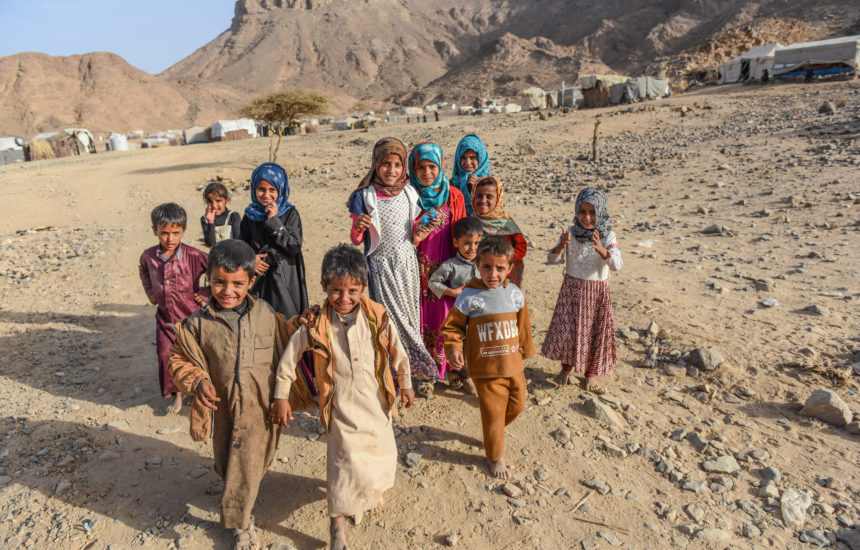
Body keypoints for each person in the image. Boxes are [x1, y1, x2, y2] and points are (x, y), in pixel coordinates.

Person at [167, 239, 316, 550]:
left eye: (237, 283)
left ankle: (239, 508)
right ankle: (238, 509)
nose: (228, 291)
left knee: (251, 462)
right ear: (209, 279)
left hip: (262, 408)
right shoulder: (198, 323)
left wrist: (300, 324)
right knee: (231, 460)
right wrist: (197, 382)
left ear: (251, 281)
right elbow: (178, 359)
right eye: (219, 282)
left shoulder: (264, 312)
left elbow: (283, 338)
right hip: (223, 408)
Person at [271, 244, 415, 550]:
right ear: (324, 287)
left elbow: (396, 350)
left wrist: (405, 382)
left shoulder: (376, 315)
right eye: (336, 291)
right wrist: (281, 395)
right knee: (341, 463)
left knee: (380, 452)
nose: (345, 298)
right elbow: (289, 358)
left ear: (364, 286)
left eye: (353, 290)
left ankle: (365, 494)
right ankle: (337, 524)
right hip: (339, 405)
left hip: (376, 402)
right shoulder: (317, 324)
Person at [348, 137, 437, 393]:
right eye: (386, 164)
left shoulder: (410, 192)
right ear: (376, 164)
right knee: (388, 322)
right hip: (380, 266)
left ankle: (415, 372)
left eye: (398, 164)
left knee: (410, 318)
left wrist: (422, 232)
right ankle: (394, 377)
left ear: (404, 166)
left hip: (406, 264)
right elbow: (356, 240)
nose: (392, 170)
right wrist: (358, 228)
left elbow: (414, 236)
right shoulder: (364, 196)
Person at [441, 236, 535, 479]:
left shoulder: (514, 293)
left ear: (510, 269)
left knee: (518, 404)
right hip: (485, 368)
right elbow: (452, 328)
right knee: (493, 414)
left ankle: (493, 433)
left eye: (500, 268)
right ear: (477, 266)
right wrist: (453, 349)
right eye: (486, 267)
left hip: (513, 365)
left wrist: (526, 349)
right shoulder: (469, 296)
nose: (493, 273)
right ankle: (494, 456)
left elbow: (523, 324)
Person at [542, 188, 622, 394]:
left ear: (601, 212)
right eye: (582, 212)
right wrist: (561, 247)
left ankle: (590, 375)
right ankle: (566, 369)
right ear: (576, 211)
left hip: (597, 294)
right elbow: (552, 259)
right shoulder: (570, 233)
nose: (587, 217)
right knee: (569, 332)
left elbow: (617, 264)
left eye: (592, 212)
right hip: (572, 291)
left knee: (594, 333)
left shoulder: (607, 235)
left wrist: (604, 252)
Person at [138, 203, 209, 414]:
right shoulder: (148, 257)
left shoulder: (194, 256)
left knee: (195, 356)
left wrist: (207, 292)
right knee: (165, 355)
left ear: (184, 231)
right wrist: (151, 292)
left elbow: (218, 269)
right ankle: (178, 394)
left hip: (192, 318)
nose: (170, 239)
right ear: (155, 231)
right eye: (164, 233)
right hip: (165, 319)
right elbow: (143, 271)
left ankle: (198, 390)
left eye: (176, 233)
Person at [409, 142, 467, 391]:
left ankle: (454, 371)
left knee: (448, 320)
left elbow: (462, 233)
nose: (426, 172)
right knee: (421, 320)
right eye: (420, 167)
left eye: (432, 166)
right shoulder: (410, 194)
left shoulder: (454, 195)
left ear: (440, 165)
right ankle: (426, 375)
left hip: (447, 270)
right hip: (418, 271)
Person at [240, 162, 309, 319]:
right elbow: (241, 245)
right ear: (254, 189)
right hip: (258, 278)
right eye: (261, 189)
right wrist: (250, 260)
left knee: (287, 320)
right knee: (259, 319)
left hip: (285, 278)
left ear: (281, 190)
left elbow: (294, 245)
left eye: (272, 190)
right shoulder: (250, 215)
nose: (266, 195)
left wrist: (274, 221)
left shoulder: (290, 213)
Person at [427, 216, 482, 394]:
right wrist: (453, 292)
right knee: (459, 347)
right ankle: (464, 377)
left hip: (479, 316)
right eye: (466, 243)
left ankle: (469, 373)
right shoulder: (451, 265)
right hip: (458, 316)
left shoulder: (483, 263)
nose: (472, 248)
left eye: (476, 243)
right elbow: (433, 283)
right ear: (455, 242)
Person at [470, 176, 528, 286]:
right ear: (472, 196)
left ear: (498, 199)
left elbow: (521, 247)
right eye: (479, 196)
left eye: (489, 197)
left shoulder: (506, 223)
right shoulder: (470, 222)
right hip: (476, 276)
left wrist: (503, 259)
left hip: (504, 277)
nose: (483, 200)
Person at [451, 134, 492, 215]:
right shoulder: (451, 184)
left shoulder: (491, 184)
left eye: (472, 157)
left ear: (481, 158)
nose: (468, 162)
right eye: (463, 158)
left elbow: (494, 211)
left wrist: (479, 188)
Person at [200, 182, 241, 247]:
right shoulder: (205, 219)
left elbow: (238, 241)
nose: (214, 205)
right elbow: (211, 243)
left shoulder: (233, 216)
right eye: (210, 201)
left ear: (227, 200)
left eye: (218, 201)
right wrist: (211, 222)